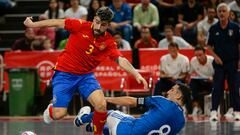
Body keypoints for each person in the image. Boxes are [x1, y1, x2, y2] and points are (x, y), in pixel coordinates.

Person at [24, 7, 147, 135]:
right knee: (59, 114)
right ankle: (51, 109)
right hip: (64, 75)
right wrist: (33, 25)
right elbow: (57, 22)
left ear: (108, 25)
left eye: (103, 25)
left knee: (101, 105)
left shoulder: (108, 42)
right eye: (97, 22)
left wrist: (136, 74)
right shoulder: (80, 25)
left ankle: (97, 133)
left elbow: (121, 60)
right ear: (94, 19)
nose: (98, 27)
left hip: (85, 77)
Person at [74, 83, 191, 135]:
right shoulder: (181, 122)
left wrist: (106, 99)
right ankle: (92, 127)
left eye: (172, 90)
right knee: (127, 120)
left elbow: (132, 101)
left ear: (178, 96)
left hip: (126, 132)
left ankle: (81, 119)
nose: (168, 92)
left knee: (110, 113)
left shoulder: (162, 101)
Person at [207, 3, 240, 121]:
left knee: (234, 87)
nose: (221, 13)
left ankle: (236, 111)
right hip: (219, 63)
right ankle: (214, 111)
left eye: (223, 11)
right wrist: (215, 56)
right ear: (217, 13)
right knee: (217, 87)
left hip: (233, 61)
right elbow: (209, 46)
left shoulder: (235, 27)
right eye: (219, 11)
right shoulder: (213, 28)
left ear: (228, 13)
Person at [188, 46, 214, 116]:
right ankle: (196, 107)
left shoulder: (212, 60)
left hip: (211, 82)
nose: (198, 57)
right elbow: (189, 73)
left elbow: (218, 75)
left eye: (200, 55)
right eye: (196, 56)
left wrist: (212, 78)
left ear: (205, 53)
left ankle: (212, 109)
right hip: (201, 81)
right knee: (192, 83)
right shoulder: (193, 61)